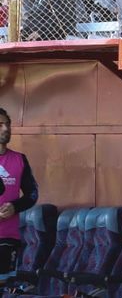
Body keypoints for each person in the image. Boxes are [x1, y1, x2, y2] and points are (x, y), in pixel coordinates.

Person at [0, 106, 38, 281]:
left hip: (8, 238)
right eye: (0, 125)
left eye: (8, 124)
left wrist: (14, 207)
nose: (6, 129)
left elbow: (32, 194)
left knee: (5, 287)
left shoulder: (19, 159)